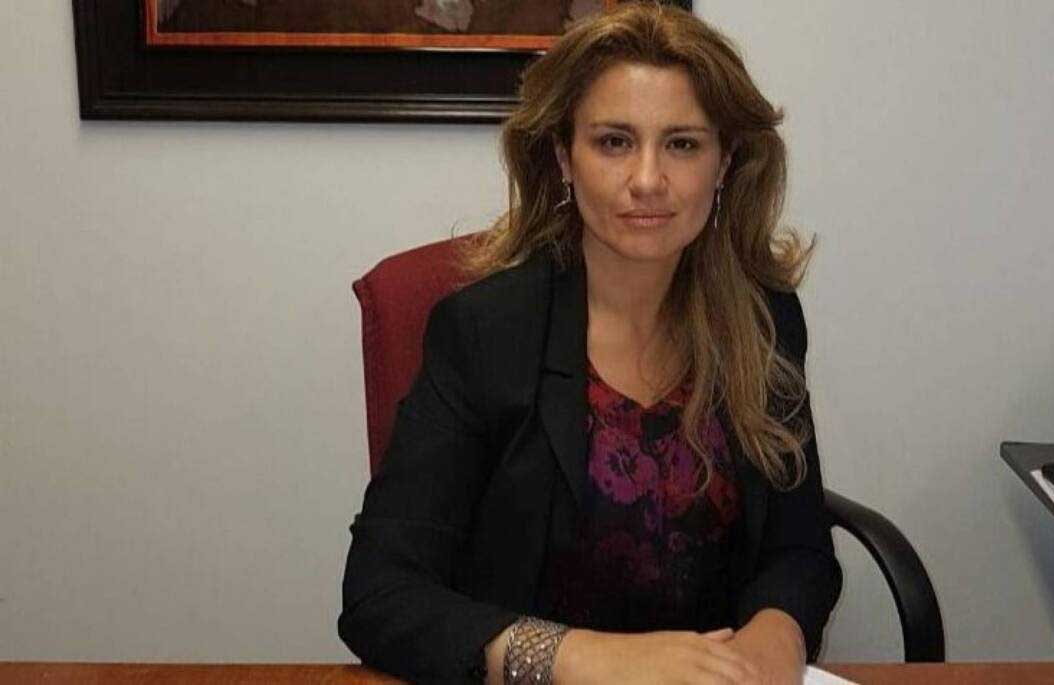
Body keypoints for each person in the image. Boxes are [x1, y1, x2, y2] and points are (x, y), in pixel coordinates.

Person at [338, 3, 842, 683]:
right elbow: (380, 592)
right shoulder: (485, 332)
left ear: (725, 162)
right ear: (563, 157)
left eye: (682, 144)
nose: (647, 180)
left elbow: (799, 547)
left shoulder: (763, 321)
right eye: (613, 142)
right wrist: (587, 657)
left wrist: (775, 638)